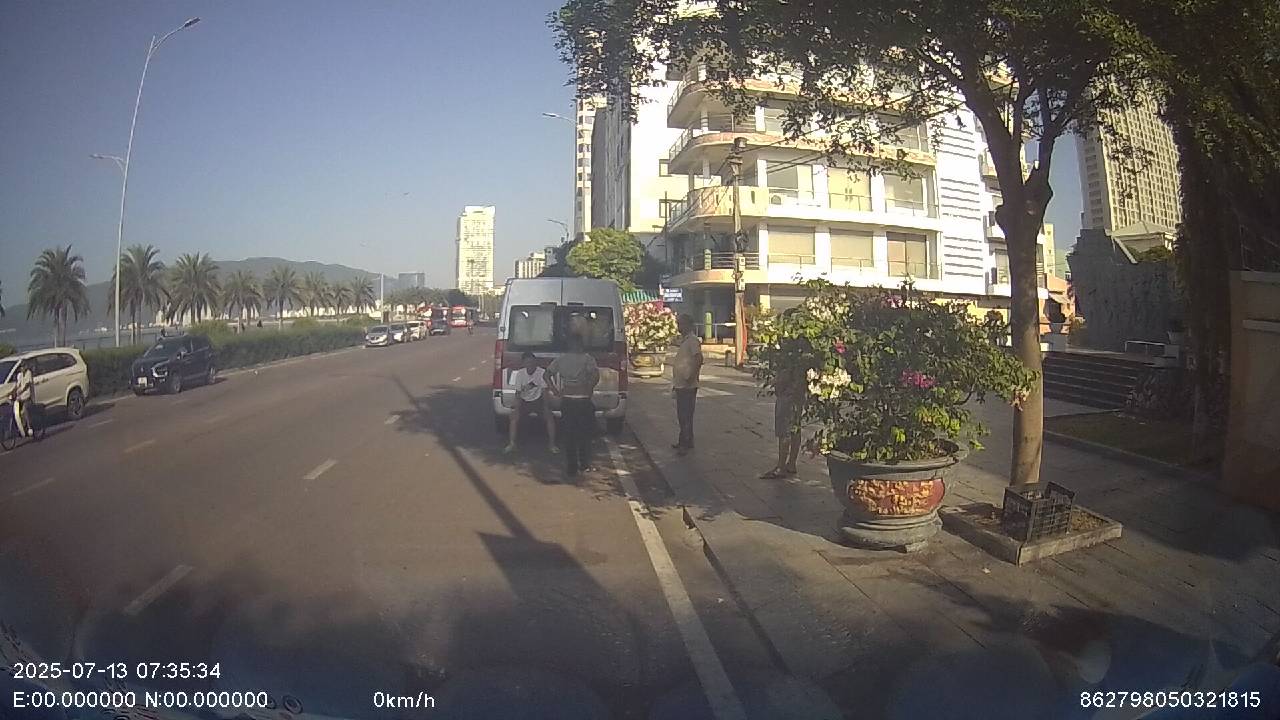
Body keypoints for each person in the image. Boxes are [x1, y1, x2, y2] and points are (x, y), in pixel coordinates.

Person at [546, 330, 599, 476]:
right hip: (583, 399)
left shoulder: (561, 359)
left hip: (567, 399)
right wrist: (590, 388)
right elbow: (595, 375)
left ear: (569, 345)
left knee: (569, 435)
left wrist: (555, 390)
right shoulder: (587, 359)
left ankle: (571, 467)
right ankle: (584, 464)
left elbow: (547, 374)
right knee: (584, 435)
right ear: (580, 344)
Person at [505, 351, 557, 454]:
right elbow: (518, 393)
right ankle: (512, 444)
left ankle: (552, 445)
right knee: (513, 417)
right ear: (523, 364)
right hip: (524, 400)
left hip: (538, 400)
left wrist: (546, 407)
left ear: (535, 362)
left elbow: (544, 392)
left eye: (532, 362)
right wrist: (516, 408)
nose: (530, 365)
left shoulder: (541, 372)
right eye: (527, 363)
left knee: (549, 417)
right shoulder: (520, 374)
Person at [761, 363, 805, 478]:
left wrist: (777, 381)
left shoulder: (789, 357)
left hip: (788, 392)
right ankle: (791, 463)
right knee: (795, 427)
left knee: (784, 429)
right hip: (798, 391)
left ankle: (781, 466)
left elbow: (785, 373)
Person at [671, 314, 703, 455]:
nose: (679, 327)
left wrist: (691, 376)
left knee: (685, 415)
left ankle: (685, 443)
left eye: (681, 324)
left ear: (688, 325)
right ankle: (685, 440)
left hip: (687, 384)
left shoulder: (692, 341)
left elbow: (698, 358)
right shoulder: (685, 341)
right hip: (681, 383)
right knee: (682, 415)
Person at [10, 359, 34, 438]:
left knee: (25, 410)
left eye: (23, 366)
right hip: (20, 398)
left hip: (27, 396)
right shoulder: (20, 375)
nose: (22, 368)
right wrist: (12, 392)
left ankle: (29, 427)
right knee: (17, 411)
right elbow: (17, 385)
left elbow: (27, 384)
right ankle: (21, 427)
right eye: (21, 367)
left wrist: (21, 391)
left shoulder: (29, 373)